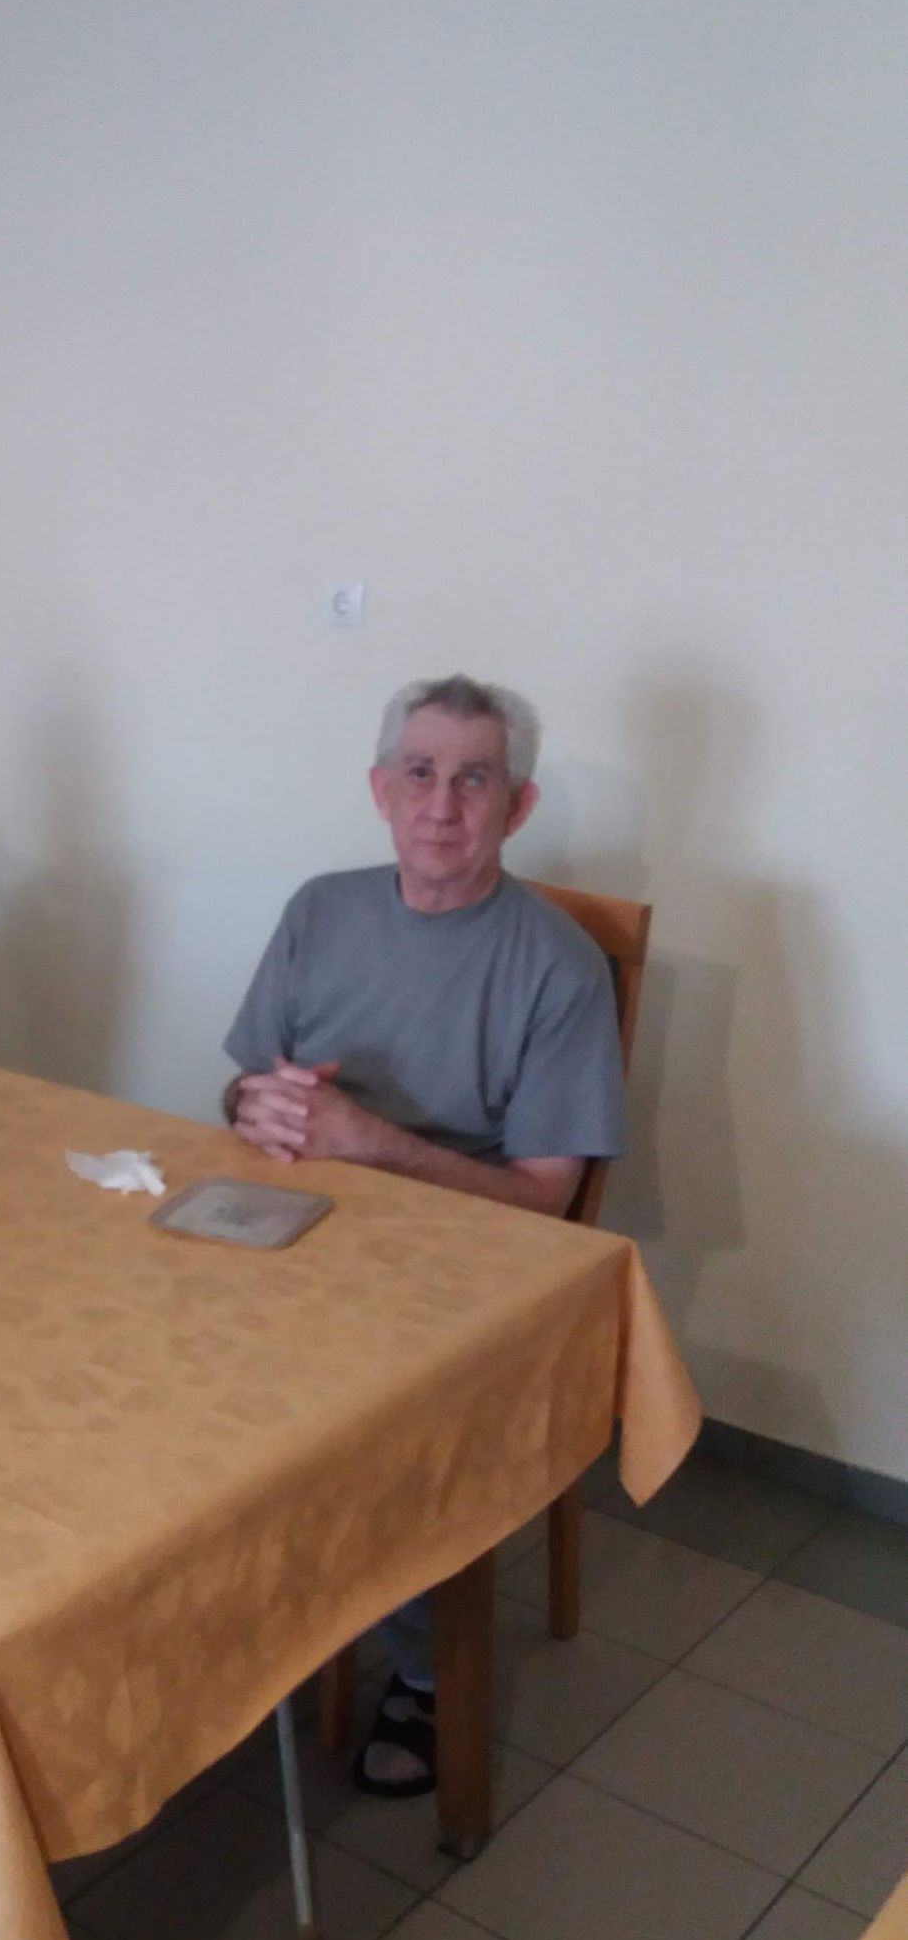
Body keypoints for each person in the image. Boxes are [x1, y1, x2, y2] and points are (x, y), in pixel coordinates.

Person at [223, 673, 624, 1797]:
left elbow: (544, 1204)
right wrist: (255, 1106)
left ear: (518, 806)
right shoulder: (320, 909)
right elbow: (245, 1085)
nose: (440, 805)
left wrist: (371, 1143)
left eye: (473, 779)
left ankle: (424, 1670)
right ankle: (218, 1600)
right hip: (300, 1224)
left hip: (465, 1261)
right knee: (148, 1333)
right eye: (419, 772)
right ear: (379, 790)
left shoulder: (557, 964)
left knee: (369, 1408)